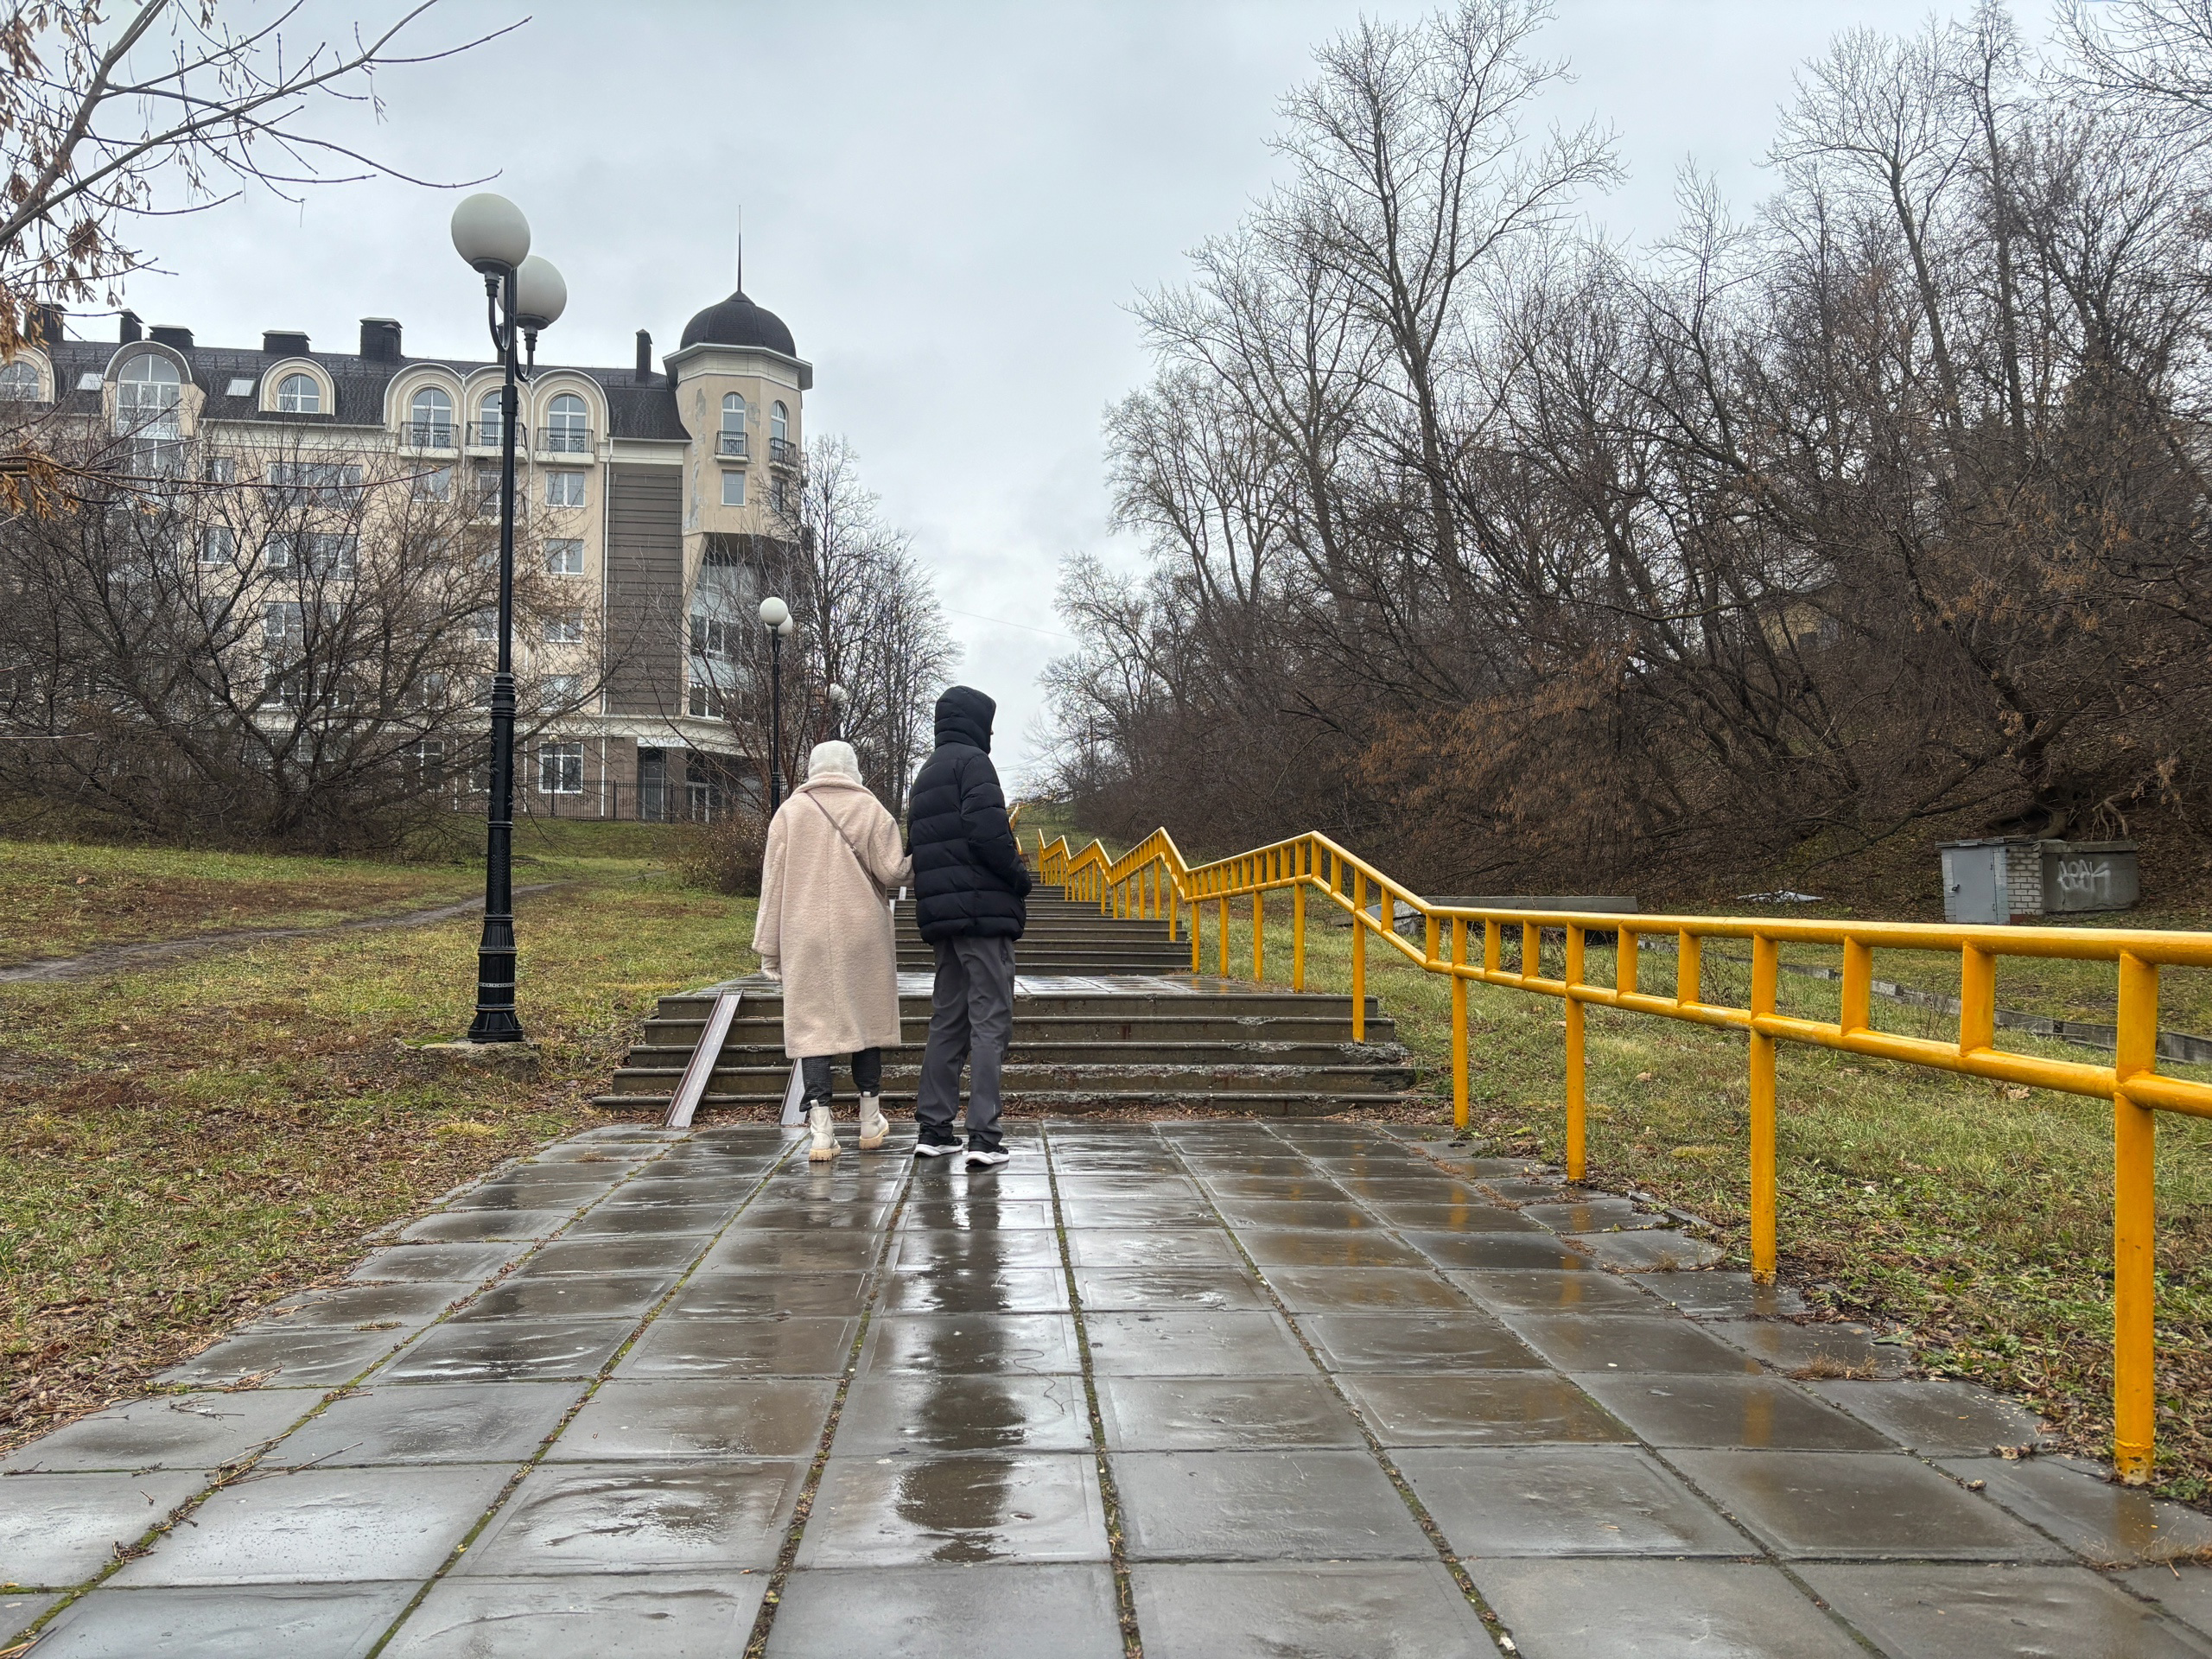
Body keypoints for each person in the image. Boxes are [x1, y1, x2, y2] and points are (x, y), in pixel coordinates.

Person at [753, 740, 913, 1161]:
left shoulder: (789, 813)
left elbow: (773, 886)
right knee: (866, 1020)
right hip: (861, 931)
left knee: (812, 1029)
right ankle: (869, 1119)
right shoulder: (871, 809)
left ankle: (821, 1130)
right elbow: (894, 872)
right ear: (852, 768)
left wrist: (769, 948)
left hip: (804, 933)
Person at [906, 685, 1030, 1166]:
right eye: (990, 725)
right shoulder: (974, 764)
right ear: (976, 724)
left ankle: (934, 1130)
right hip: (983, 916)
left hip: (945, 920)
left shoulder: (925, 773)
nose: (992, 734)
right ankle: (983, 1136)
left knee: (947, 1021)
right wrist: (1020, 879)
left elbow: (920, 842)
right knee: (990, 1021)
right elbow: (988, 833)